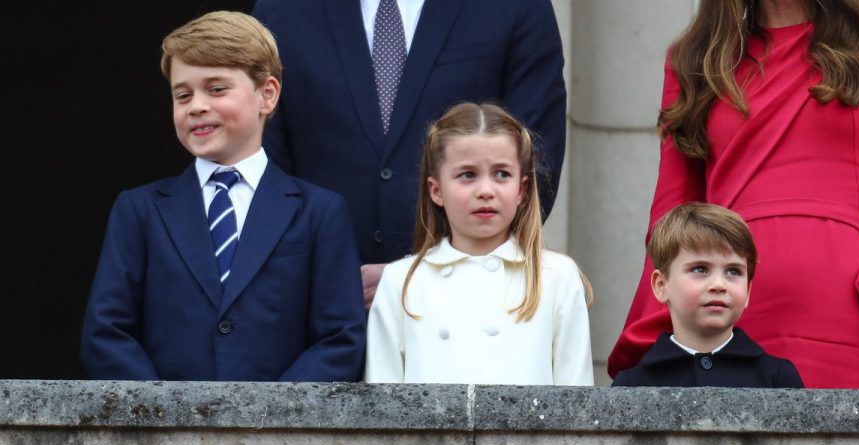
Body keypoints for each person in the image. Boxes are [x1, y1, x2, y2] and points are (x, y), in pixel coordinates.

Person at [608, 0, 859, 389]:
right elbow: (672, 220)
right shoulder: (696, 57)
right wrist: (653, 354)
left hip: (840, 323)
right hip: (720, 319)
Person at [81, 11, 366, 381]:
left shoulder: (320, 212)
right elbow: (106, 332)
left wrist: (270, 416)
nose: (196, 105)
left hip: (280, 434)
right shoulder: (138, 210)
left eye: (216, 89)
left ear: (267, 95)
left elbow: (341, 339)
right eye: (182, 95)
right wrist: (163, 415)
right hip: (165, 432)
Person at [251, 0, 568, 304]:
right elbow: (265, 166)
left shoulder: (516, 6)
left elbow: (534, 162)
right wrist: (326, 282)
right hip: (322, 313)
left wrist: (422, 276)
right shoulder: (282, 8)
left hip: (468, 310)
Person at [364, 103, 593, 385]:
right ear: (436, 190)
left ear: (521, 190)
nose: (486, 191)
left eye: (502, 174)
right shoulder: (400, 282)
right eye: (467, 175)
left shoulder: (557, 277)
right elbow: (384, 406)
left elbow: (577, 402)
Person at [612, 203, 804, 388]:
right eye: (700, 269)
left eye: (733, 271)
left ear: (748, 291)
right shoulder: (632, 385)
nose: (719, 285)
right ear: (661, 285)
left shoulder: (778, 379)